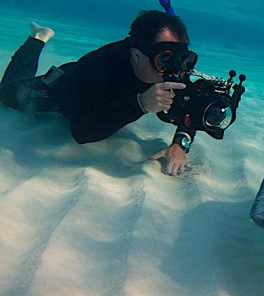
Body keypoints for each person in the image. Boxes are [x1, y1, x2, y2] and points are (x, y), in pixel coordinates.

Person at [0, 11, 197, 176]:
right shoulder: (99, 69)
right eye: (165, 60)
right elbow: (82, 132)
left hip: (109, 101)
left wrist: (180, 143)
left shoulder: (172, 69)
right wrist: (140, 104)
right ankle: (37, 38)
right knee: (7, 94)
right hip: (62, 89)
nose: (176, 69)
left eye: (183, 59)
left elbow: (191, 106)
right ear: (137, 55)